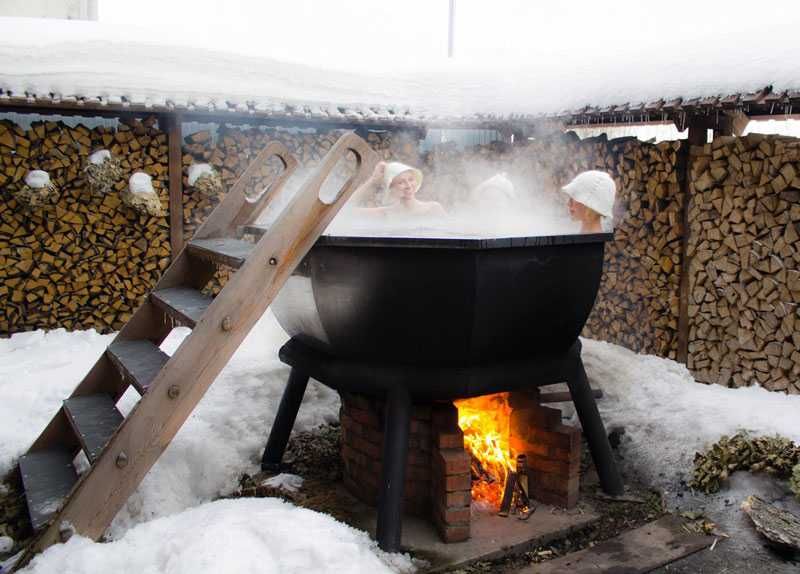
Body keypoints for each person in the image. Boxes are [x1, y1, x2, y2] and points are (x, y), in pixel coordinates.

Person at [352, 161, 445, 217]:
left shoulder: (433, 208)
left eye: (411, 179)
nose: (408, 185)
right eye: (401, 182)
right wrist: (373, 180)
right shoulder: (385, 214)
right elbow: (344, 211)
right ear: (391, 188)